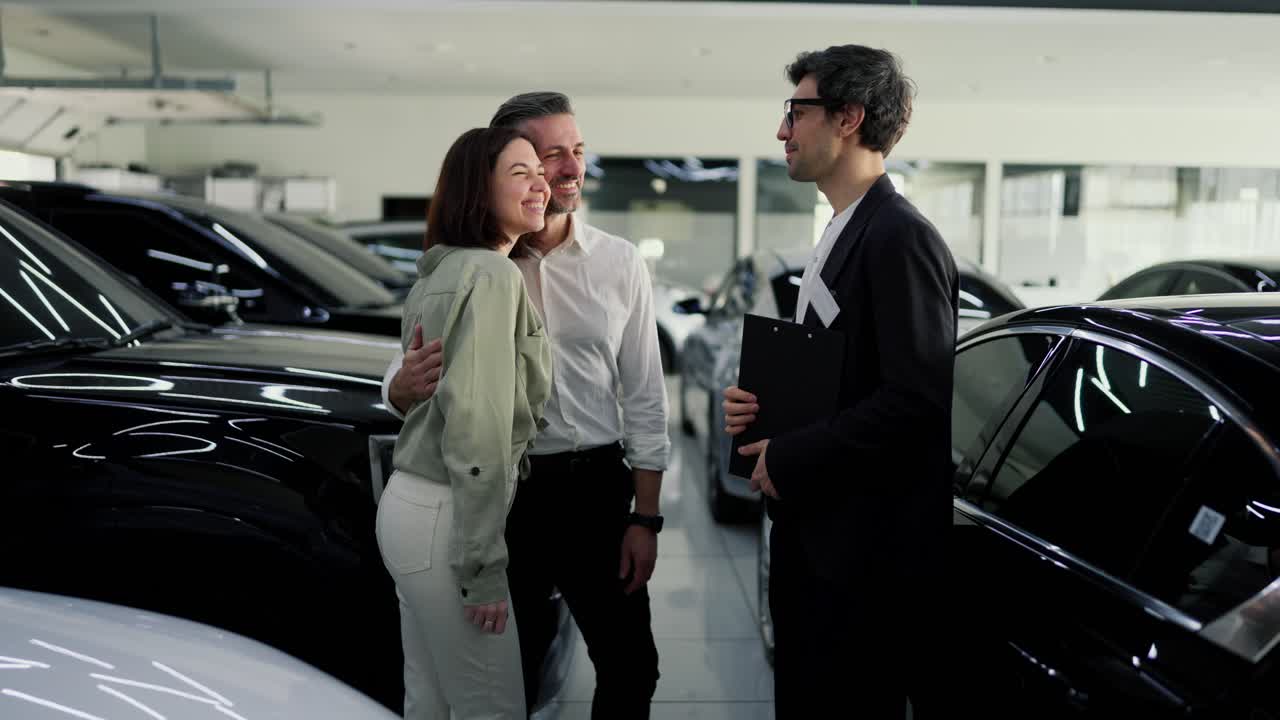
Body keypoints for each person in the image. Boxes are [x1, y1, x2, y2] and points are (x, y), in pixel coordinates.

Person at [382, 92, 667, 720]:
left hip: (592, 487)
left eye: (576, 151)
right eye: (543, 157)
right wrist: (397, 388)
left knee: (630, 665)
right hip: (503, 496)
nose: (567, 169)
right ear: (496, 169)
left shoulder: (617, 262)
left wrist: (645, 518)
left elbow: (646, 395)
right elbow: (411, 367)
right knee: (514, 669)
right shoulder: (481, 265)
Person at [723, 45, 959, 718]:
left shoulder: (899, 237)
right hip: (820, 540)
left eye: (796, 112)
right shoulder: (844, 229)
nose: (782, 131)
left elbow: (914, 400)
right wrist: (762, 410)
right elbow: (846, 380)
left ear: (848, 118)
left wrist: (792, 453)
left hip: (861, 565)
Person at [375, 126, 552, 720]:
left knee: (428, 702)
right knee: (491, 708)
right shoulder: (493, 275)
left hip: (408, 510)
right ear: (479, 190)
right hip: (449, 519)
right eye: (520, 173)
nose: (540, 184)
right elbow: (478, 425)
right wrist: (482, 568)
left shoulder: (439, 269)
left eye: (539, 172)